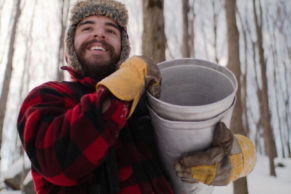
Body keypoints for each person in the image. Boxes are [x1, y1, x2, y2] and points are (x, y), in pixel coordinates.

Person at [17, 0, 256, 193]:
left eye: (110, 31)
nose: (99, 35)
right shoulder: (48, 97)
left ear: (123, 47)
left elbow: (187, 154)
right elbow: (60, 162)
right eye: (87, 28)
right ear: (71, 44)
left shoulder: (146, 107)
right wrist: (121, 88)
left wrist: (236, 158)